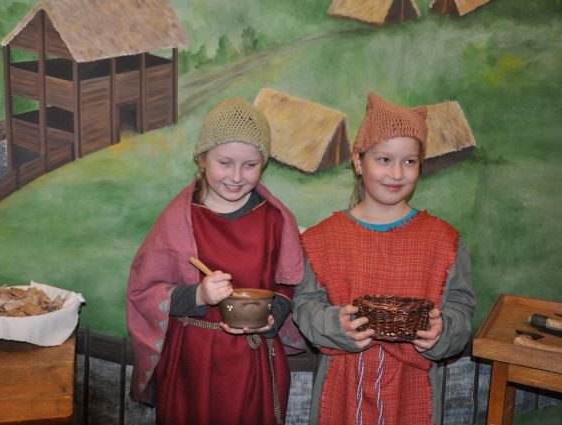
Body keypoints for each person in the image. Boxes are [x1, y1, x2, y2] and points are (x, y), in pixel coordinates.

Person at [292, 92, 475, 425]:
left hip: (413, 394)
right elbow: (305, 305)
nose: (397, 173)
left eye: (409, 161)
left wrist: (442, 330)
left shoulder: (444, 242)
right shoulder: (321, 240)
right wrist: (336, 325)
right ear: (358, 161)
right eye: (384, 159)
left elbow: (461, 308)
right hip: (340, 391)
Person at [126, 97, 305, 425]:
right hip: (192, 365)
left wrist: (272, 318)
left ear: (263, 164)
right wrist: (197, 295)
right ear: (202, 159)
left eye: (250, 165)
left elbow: (287, 285)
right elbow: (144, 291)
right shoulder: (179, 219)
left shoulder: (275, 220)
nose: (236, 176)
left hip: (253, 361)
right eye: (225, 162)